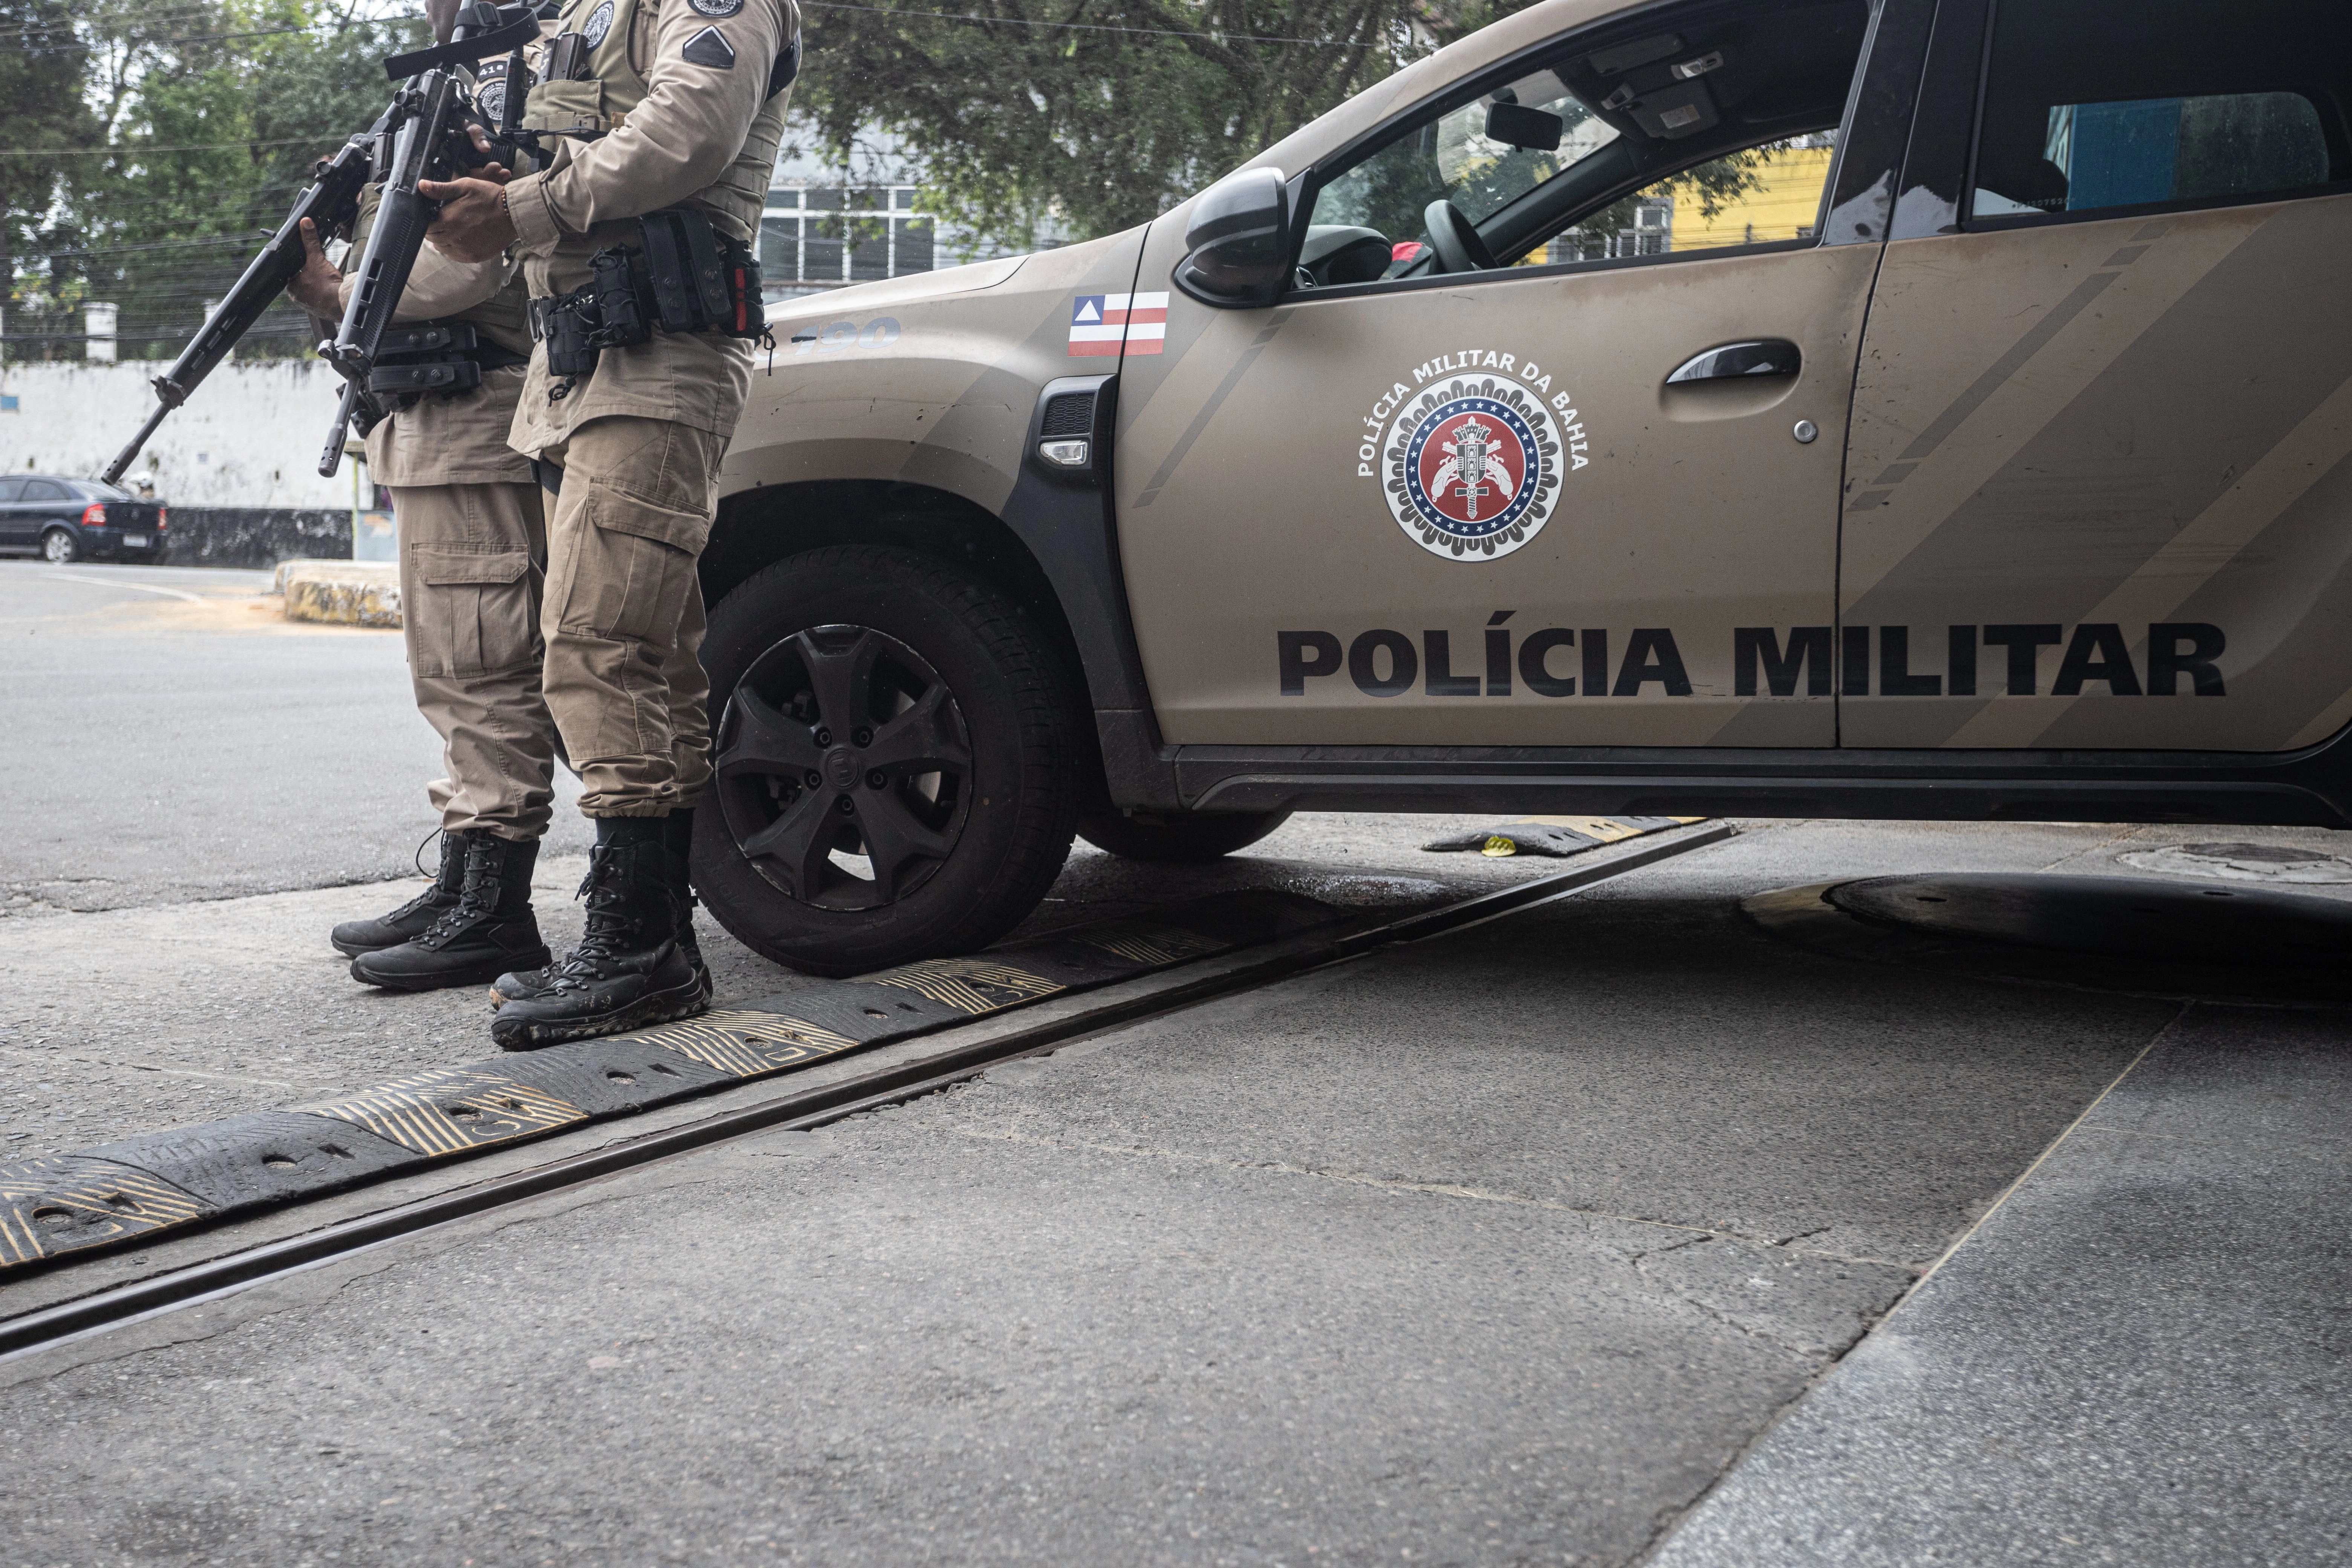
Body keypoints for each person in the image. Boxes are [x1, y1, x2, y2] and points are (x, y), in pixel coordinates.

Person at [420, 0, 800, 1048]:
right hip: (582, 359)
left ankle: (639, 949)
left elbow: (692, 126)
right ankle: (647, 936)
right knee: (641, 652)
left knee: (603, 643)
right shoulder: (589, 11)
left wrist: (526, 205)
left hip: (659, 351)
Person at [287, 1, 561, 996]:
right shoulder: (450, 82)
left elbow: (460, 265)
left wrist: (336, 291)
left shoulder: (504, 79)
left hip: (480, 414)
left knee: (486, 668)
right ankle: (463, 884)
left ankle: (494, 909)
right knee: (450, 672)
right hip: (432, 422)